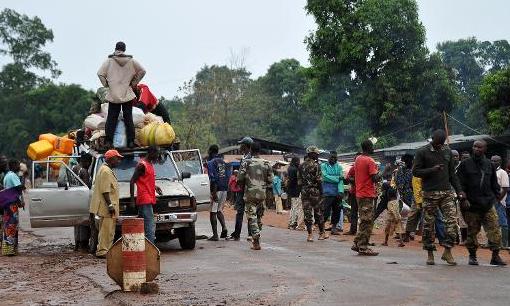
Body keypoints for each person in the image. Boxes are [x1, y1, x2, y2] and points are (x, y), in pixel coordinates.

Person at [413, 129, 465, 265]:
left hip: (447, 192)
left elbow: (452, 174)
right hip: (429, 193)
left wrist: (460, 191)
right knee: (428, 225)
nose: (439, 146)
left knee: (452, 222)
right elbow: (416, 172)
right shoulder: (422, 152)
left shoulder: (447, 151)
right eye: (437, 144)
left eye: (441, 144)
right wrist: (432, 170)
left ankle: (447, 251)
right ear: (432, 139)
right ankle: (430, 253)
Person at [457, 141, 506, 266]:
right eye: (474, 146)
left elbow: (494, 184)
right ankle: (472, 256)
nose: (476, 149)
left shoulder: (489, 164)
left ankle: (495, 256)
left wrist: (497, 198)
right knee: (472, 232)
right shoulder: (465, 164)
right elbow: (459, 184)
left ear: (485, 149)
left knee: (495, 230)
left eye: (479, 147)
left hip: (488, 204)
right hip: (471, 206)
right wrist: (463, 199)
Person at [97, 41, 146, 148]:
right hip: (127, 94)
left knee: (111, 118)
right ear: (124, 50)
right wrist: (133, 82)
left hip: (113, 95)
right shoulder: (131, 61)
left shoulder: (109, 61)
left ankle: (109, 142)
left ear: (115, 48)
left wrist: (107, 84)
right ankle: (131, 141)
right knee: (128, 118)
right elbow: (142, 71)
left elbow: (100, 73)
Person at [237, 142, 272, 250]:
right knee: (259, 217)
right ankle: (255, 236)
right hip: (262, 194)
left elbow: (239, 179)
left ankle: (256, 239)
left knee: (252, 217)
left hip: (250, 194)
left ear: (251, 150)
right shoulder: (267, 163)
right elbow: (270, 181)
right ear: (260, 151)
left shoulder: (246, 162)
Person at [90, 149, 123, 258]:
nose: (118, 161)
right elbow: (105, 191)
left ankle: (105, 250)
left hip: (106, 207)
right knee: (106, 231)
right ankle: (103, 251)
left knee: (108, 230)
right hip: (107, 207)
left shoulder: (105, 169)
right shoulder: (105, 171)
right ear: (111, 159)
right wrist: (110, 206)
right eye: (117, 159)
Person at [351, 140, 380, 256]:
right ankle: (363, 246)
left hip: (359, 193)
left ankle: (357, 243)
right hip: (367, 194)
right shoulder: (370, 161)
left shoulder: (358, 159)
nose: (374, 148)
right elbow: (375, 178)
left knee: (364, 219)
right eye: (372, 146)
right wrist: (384, 172)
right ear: (369, 147)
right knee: (367, 221)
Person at [130, 146, 163, 244]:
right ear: (151, 153)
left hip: (148, 198)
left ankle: (143, 249)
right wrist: (132, 200)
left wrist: (155, 187)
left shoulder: (149, 164)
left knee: (143, 227)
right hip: (144, 199)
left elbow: (145, 180)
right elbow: (132, 181)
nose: (158, 156)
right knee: (150, 228)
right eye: (157, 154)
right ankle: (150, 251)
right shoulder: (142, 165)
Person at [299, 146, 327, 242]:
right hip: (315, 192)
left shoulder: (301, 165)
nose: (317, 155)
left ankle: (310, 234)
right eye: (316, 153)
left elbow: (299, 182)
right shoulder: (316, 165)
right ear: (311, 153)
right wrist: (322, 192)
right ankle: (322, 233)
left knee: (307, 213)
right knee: (318, 213)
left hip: (304, 192)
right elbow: (319, 180)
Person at [228, 137, 253, 241]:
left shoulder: (247, 158)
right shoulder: (251, 157)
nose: (240, 146)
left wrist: (238, 181)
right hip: (250, 189)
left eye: (241, 144)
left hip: (243, 189)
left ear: (245, 145)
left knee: (241, 211)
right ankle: (250, 233)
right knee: (250, 211)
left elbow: (241, 176)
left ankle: (237, 233)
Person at [206, 145, 230, 241]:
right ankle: (224, 227)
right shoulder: (223, 162)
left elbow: (213, 178)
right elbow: (227, 175)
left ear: (211, 151)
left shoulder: (211, 162)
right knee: (219, 210)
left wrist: (214, 193)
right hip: (224, 188)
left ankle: (215, 235)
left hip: (217, 189)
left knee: (213, 212)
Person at [2, 159, 25, 256]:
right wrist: (23, 181)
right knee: (12, 225)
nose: (19, 167)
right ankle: (10, 250)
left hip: (7, 204)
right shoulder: (13, 175)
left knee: (8, 225)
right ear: (14, 166)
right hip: (12, 205)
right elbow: (19, 187)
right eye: (18, 165)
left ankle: (8, 249)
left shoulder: (7, 175)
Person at [72, 153, 93, 251]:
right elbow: (87, 187)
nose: (89, 165)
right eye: (89, 163)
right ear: (86, 162)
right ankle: (83, 245)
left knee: (77, 222)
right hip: (83, 198)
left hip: (75, 197)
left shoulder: (74, 168)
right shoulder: (84, 171)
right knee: (84, 222)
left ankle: (77, 244)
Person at [320, 151, 344, 235]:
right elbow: (325, 177)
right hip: (327, 192)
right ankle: (321, 227)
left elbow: (341, 181)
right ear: (328, 158)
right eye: (332, 157)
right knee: (325, 211)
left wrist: (341, 191)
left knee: (337, 211)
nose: (333, 159)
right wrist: (338, 178)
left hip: (337, 193)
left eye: (335, 157)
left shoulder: (339, 167)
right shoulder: (323, 166)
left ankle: (334, 228)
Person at [491, 155, 509, 249]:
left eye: (495, 161)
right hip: (490, 201)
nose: (493, 162)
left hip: (499, 201)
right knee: (492, 222)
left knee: (503, 223)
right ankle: (493, 242)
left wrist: (499, 199)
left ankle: (504, 244)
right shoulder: (490, 172)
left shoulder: (502, 173)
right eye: (492, 161)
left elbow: (505, 188)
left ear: (500, 162)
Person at [344, 153, 361, 236]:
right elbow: (347, 178)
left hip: (361, 193)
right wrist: (355, 180)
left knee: (360, 212)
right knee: (354, 211)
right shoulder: (353, 168)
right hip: (355, 192)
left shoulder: (357, 168)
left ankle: (359, 231)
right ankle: (353, 230)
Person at [287, 156, 304, 230]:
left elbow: (290, 181)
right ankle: (294, 223)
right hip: (297, 190)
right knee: (297, 208)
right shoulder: (296, 169)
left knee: (293, 207)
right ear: (295, 161)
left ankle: (291, 222)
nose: (299, 163)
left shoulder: (289, 168)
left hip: (291, 190)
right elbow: (298, 181)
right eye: (298, 161)